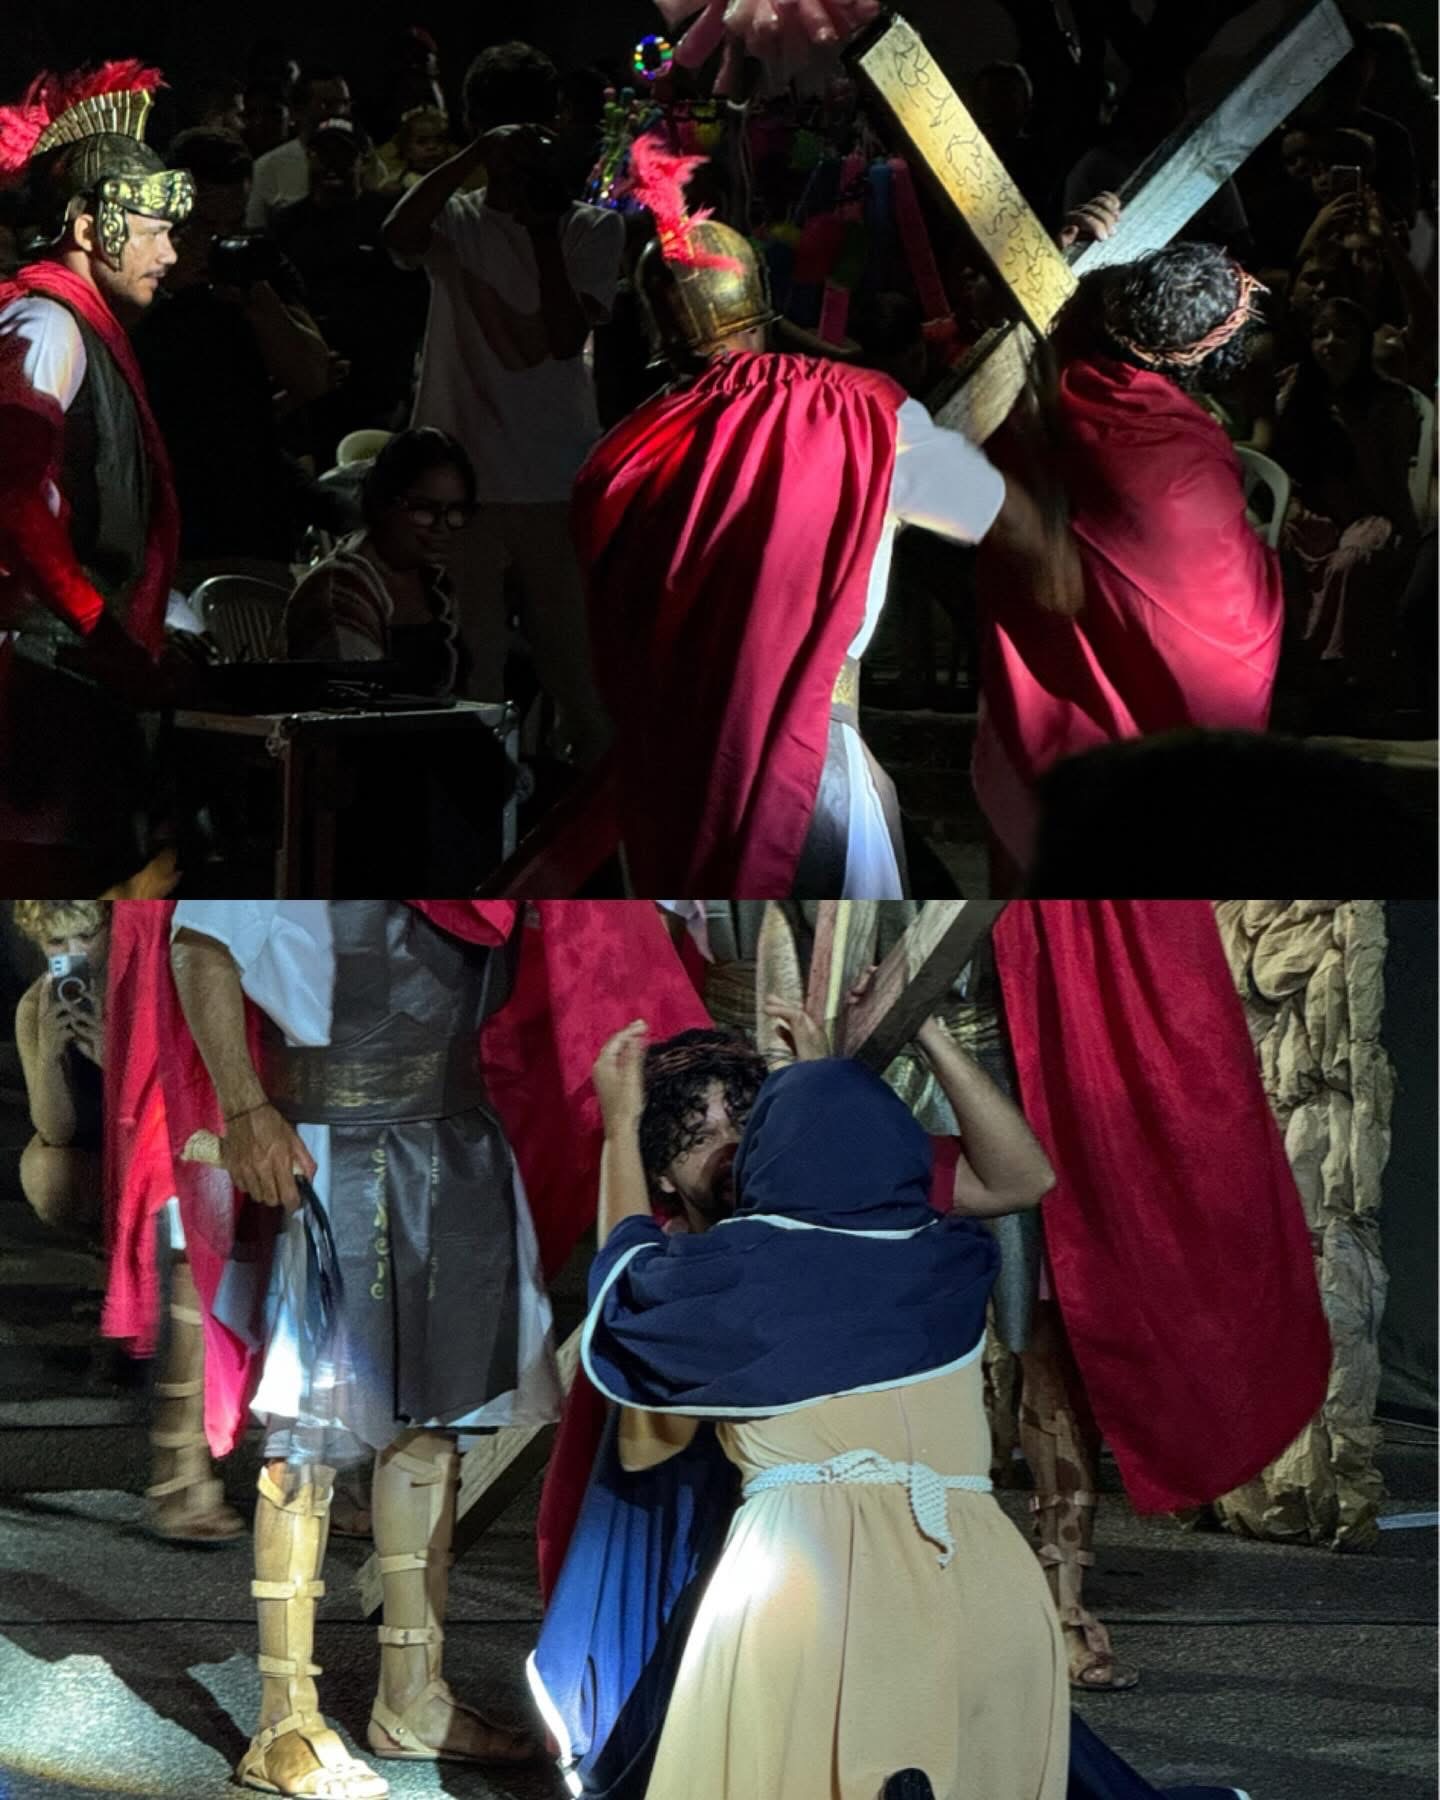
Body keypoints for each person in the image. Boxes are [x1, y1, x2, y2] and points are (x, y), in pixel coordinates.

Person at [535, 1012, 1261, 1800]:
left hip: (814, 1575)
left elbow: (623, 1290)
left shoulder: (719, 1281)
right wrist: (820, 1094)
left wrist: (818, 1091)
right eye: (696, 1133)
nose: (731, 1143)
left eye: (747, 1118)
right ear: (664, 1179)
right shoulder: (945, 1253)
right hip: (964, 1564)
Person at [102, 898, 712, 1800]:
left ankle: (414, 1696)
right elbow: (202, 941)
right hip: (328, 1147)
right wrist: (246, 1105)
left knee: (434, 1423)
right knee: (309, 1437)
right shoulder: (298, 841)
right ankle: (283, 1720)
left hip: (459, 1144)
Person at [571, 135, 1081, 898]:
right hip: (810, 765)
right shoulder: (856, 409)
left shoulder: (617, 463)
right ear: (761, 311)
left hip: (666, 783)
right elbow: (998, 519)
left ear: (658, 337)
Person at [972, 241, 1284, 888]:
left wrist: (1070, 245)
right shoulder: (1168, 429)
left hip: (1132, 607)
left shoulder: (1071, 384)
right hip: (1185, 627)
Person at [382, 40, 621, 761]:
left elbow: (562, 338)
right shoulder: (455, 217)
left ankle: (590, 815)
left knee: (579, 678)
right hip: (463, 485)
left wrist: (542, 224)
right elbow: (395, 234)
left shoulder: (590, 226)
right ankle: (482, 814)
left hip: (553, 482)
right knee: (471, 674)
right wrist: (471, 158)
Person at [0, 59, 197, 894]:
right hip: (40, 681)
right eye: (152, 230)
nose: (169, 252)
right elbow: (12, 496)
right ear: (89, 226)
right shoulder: (45, 324)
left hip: (76, 677)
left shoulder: (77, 328)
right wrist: (100, 629)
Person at [14, 899, 245, 1542]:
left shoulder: (141, 983)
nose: (74, 954)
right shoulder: (38, 1004)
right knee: (46, 1168)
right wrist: (55, 1053)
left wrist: (116, 1052)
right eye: (57, 943)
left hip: (148, 1143)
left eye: (85, 936)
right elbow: (55, 1127)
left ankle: (143, 1319)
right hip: (94, 1159)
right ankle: (115, 1284)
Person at [136, 127, 334, 570]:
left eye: (234, 223)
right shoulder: (131, 269)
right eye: (205, 226)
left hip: (252, 504)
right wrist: (162, 288)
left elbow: (312, 377)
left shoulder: (255, 267)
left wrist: (256, 299)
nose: (220, 240)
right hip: (164, 509)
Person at [1276, 294, 1423, 723]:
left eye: (1342, 334)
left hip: (1372, 509)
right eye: (1320, 334)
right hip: (1317, 510)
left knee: (1351, 560)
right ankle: (1299, 675)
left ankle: (1344, 674)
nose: (1330, 343)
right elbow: (1290, 468)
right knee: (1278, 545)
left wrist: (1357, 428)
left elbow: (1390, 484)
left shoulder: (1389, 402)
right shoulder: (1299, 395)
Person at [270, 118, 426, 448]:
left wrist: (399, 385)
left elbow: (411, 304)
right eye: (321, 154)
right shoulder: (285, 225)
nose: (332, 164)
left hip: (376, 387)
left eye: (344, 155)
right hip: (308, 385)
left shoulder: (388, 217)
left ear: (363, 160)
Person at [282, 426, 471, 695]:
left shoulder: (435, 583)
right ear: (384, 503)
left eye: (455, 511)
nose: (441, 526)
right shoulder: (339, 589)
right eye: (424, 509)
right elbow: (358, 700)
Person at [246, 64, 357, 230]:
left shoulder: (364, 160)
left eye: (345, 104)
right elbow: (255, 230)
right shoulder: (267, 167)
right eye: (327, 105)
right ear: (298, 111)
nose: (339, 112)